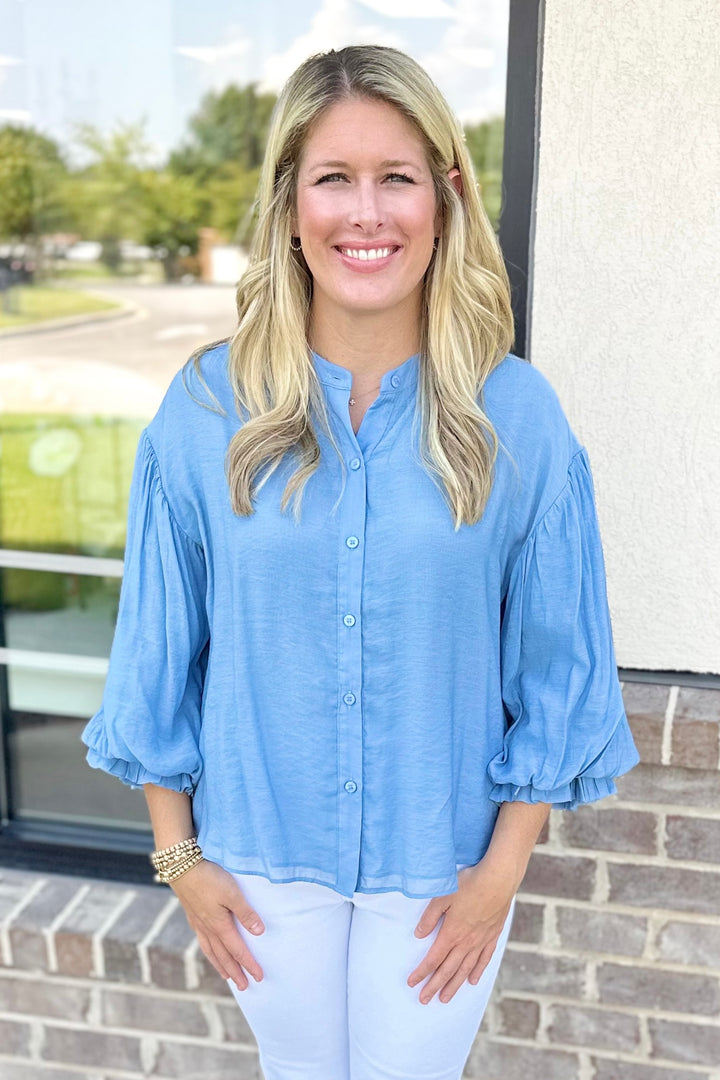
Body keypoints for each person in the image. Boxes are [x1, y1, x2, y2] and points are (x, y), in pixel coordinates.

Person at [81, 44, 640, 1080]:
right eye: (334, 178)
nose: (366, 213)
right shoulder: (207, 407)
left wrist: (501, 871)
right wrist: (180, 860)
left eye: (398, 177)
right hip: (258, 859)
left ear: (447, 196)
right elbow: (161, 644)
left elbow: (559, 662)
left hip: (442, 862)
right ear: (290, 206)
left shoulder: (516, 414)